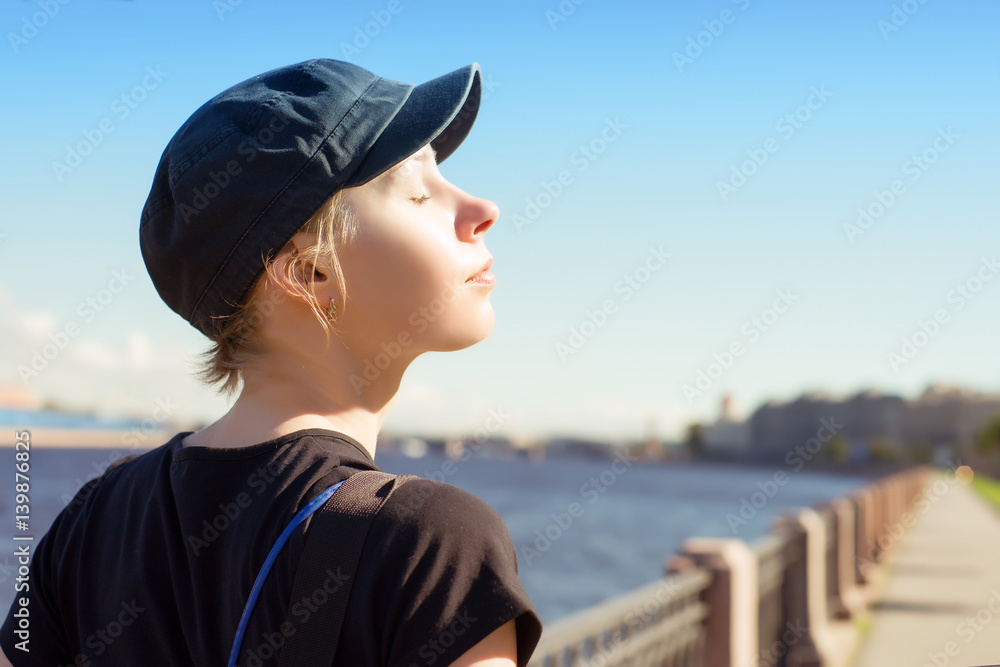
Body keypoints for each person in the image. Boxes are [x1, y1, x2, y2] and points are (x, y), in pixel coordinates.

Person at [0, 58, 543, 666]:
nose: (483, 208)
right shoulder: (431, 545)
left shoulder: (92, 520)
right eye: (419, 192)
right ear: (310, 273)